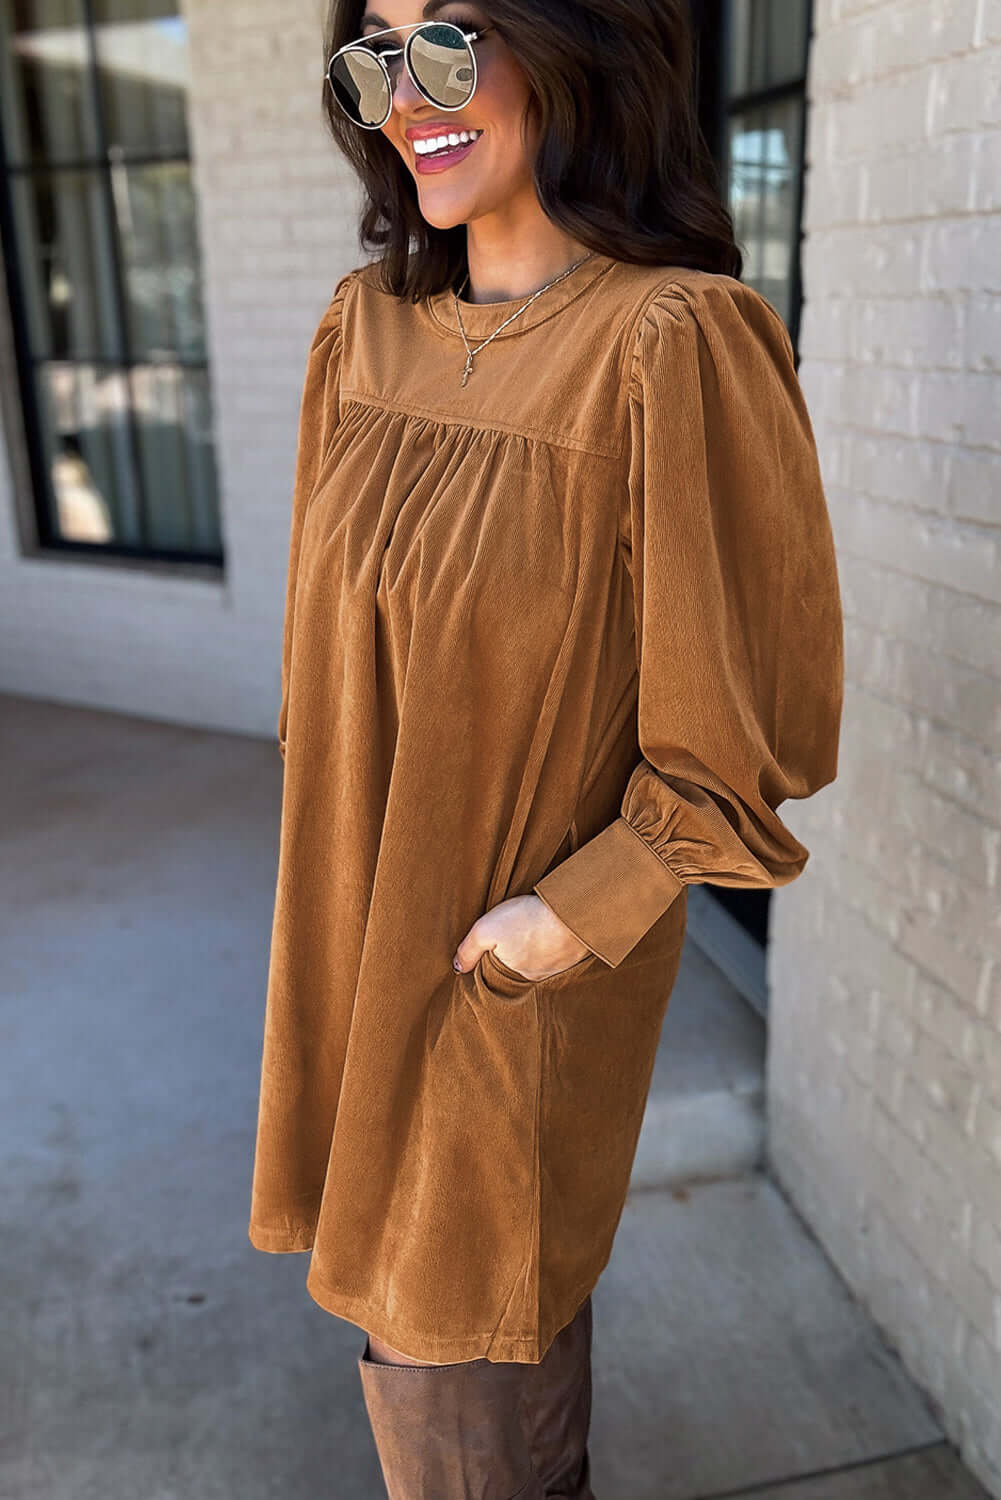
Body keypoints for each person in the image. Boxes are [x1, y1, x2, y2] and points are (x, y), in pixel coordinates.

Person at [247, 0, 845, 1494]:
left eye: (448, 40)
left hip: (491, 989)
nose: (409, 93)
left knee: (466, 1419)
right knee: (425, 1371)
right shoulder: (359, 329)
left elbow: (749, 727)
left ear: (575, 46)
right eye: (374, 55)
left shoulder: (670, 343)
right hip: (348, 953)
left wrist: (557, 929)